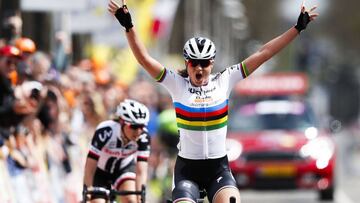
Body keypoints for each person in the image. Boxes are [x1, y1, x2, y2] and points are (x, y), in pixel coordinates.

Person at [108, 1, 318, 202]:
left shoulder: (224, 80)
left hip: (218, 168)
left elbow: (264, 53)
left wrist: (297, 28)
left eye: (204, 63)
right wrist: (129, 26)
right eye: (194, 63)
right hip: (187, 170)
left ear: (212, 63)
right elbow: (145, 59)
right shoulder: (176, 84)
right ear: (186, 63)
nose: (199, 68)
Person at [83, 99, 151, 203]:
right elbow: (90, 165)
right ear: (121, 122)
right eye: (134, 126)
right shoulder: (105, 131)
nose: (138, 131)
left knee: (131, 200)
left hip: (124, 168)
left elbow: (141, 171)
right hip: (100, 171)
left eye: (142, 126)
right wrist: (87, 191)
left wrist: (140, 198)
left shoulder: (143, 137)